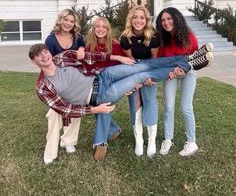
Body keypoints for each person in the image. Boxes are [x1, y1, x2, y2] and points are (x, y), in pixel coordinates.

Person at [29, 42, 213, 164]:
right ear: (34, 61)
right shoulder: (43, 86)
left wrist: (118, 58)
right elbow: (65, 109)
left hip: (101, 77)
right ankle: (189, 63)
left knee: (140, 65)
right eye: (39, 55)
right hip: (99, 96)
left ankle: (188, 60)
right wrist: (95, 109)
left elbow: (93, 57)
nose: (44, 56)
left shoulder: (61, 58)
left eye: (45, 52)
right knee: (141, 75)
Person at [155, 7, 214, 156]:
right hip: (170, 73)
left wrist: (185, 69)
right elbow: (160, 59)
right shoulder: (162, 39)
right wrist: (170, 71)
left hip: (189, 70)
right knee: (168, 106)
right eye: (163, 20)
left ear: (177, 19)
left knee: (186, 106)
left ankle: (192, 142)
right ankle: (168, 139)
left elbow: (192, 55)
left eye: (169, 19)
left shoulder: (189, 36)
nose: (166, 23)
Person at [84, 17, 135, 160]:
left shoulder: (116, 46)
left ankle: (101, 143)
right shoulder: (88, 47)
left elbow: (127, 67)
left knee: (102, 102)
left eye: (104, 27)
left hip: (115, 85)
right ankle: (113, 129)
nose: (100, 29)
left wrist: (127, 85)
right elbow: (86, 71)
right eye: (97, 27)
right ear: (94, 29)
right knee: (98, 102)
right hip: (95, 85)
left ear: (108, 30)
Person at [44, 9, 86, 159]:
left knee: (75, 110)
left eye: (72, 21)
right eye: (66, 20)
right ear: (60, 20)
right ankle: (51, 143)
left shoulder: (78, 36)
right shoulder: (51, 39)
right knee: (56, 113)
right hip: (58, 80)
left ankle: (69, 141)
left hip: (75, 79)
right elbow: (47, 61)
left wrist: (81, 48)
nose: (68, 23)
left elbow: (84, 48)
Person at [120, 6, 159, 157]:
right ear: (131, 19)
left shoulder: (153, 36)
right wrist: (135, 80)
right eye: (135, 17)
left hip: (150, 69)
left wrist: (149, 77)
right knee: (135, 102)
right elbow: (131, 61)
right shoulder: (125, 38)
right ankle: (139, 140)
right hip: (134, 70)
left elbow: (154, 59)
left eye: (142, 17)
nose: (138, 20)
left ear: (146, 20)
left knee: (150, 102)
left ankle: (151, 140)